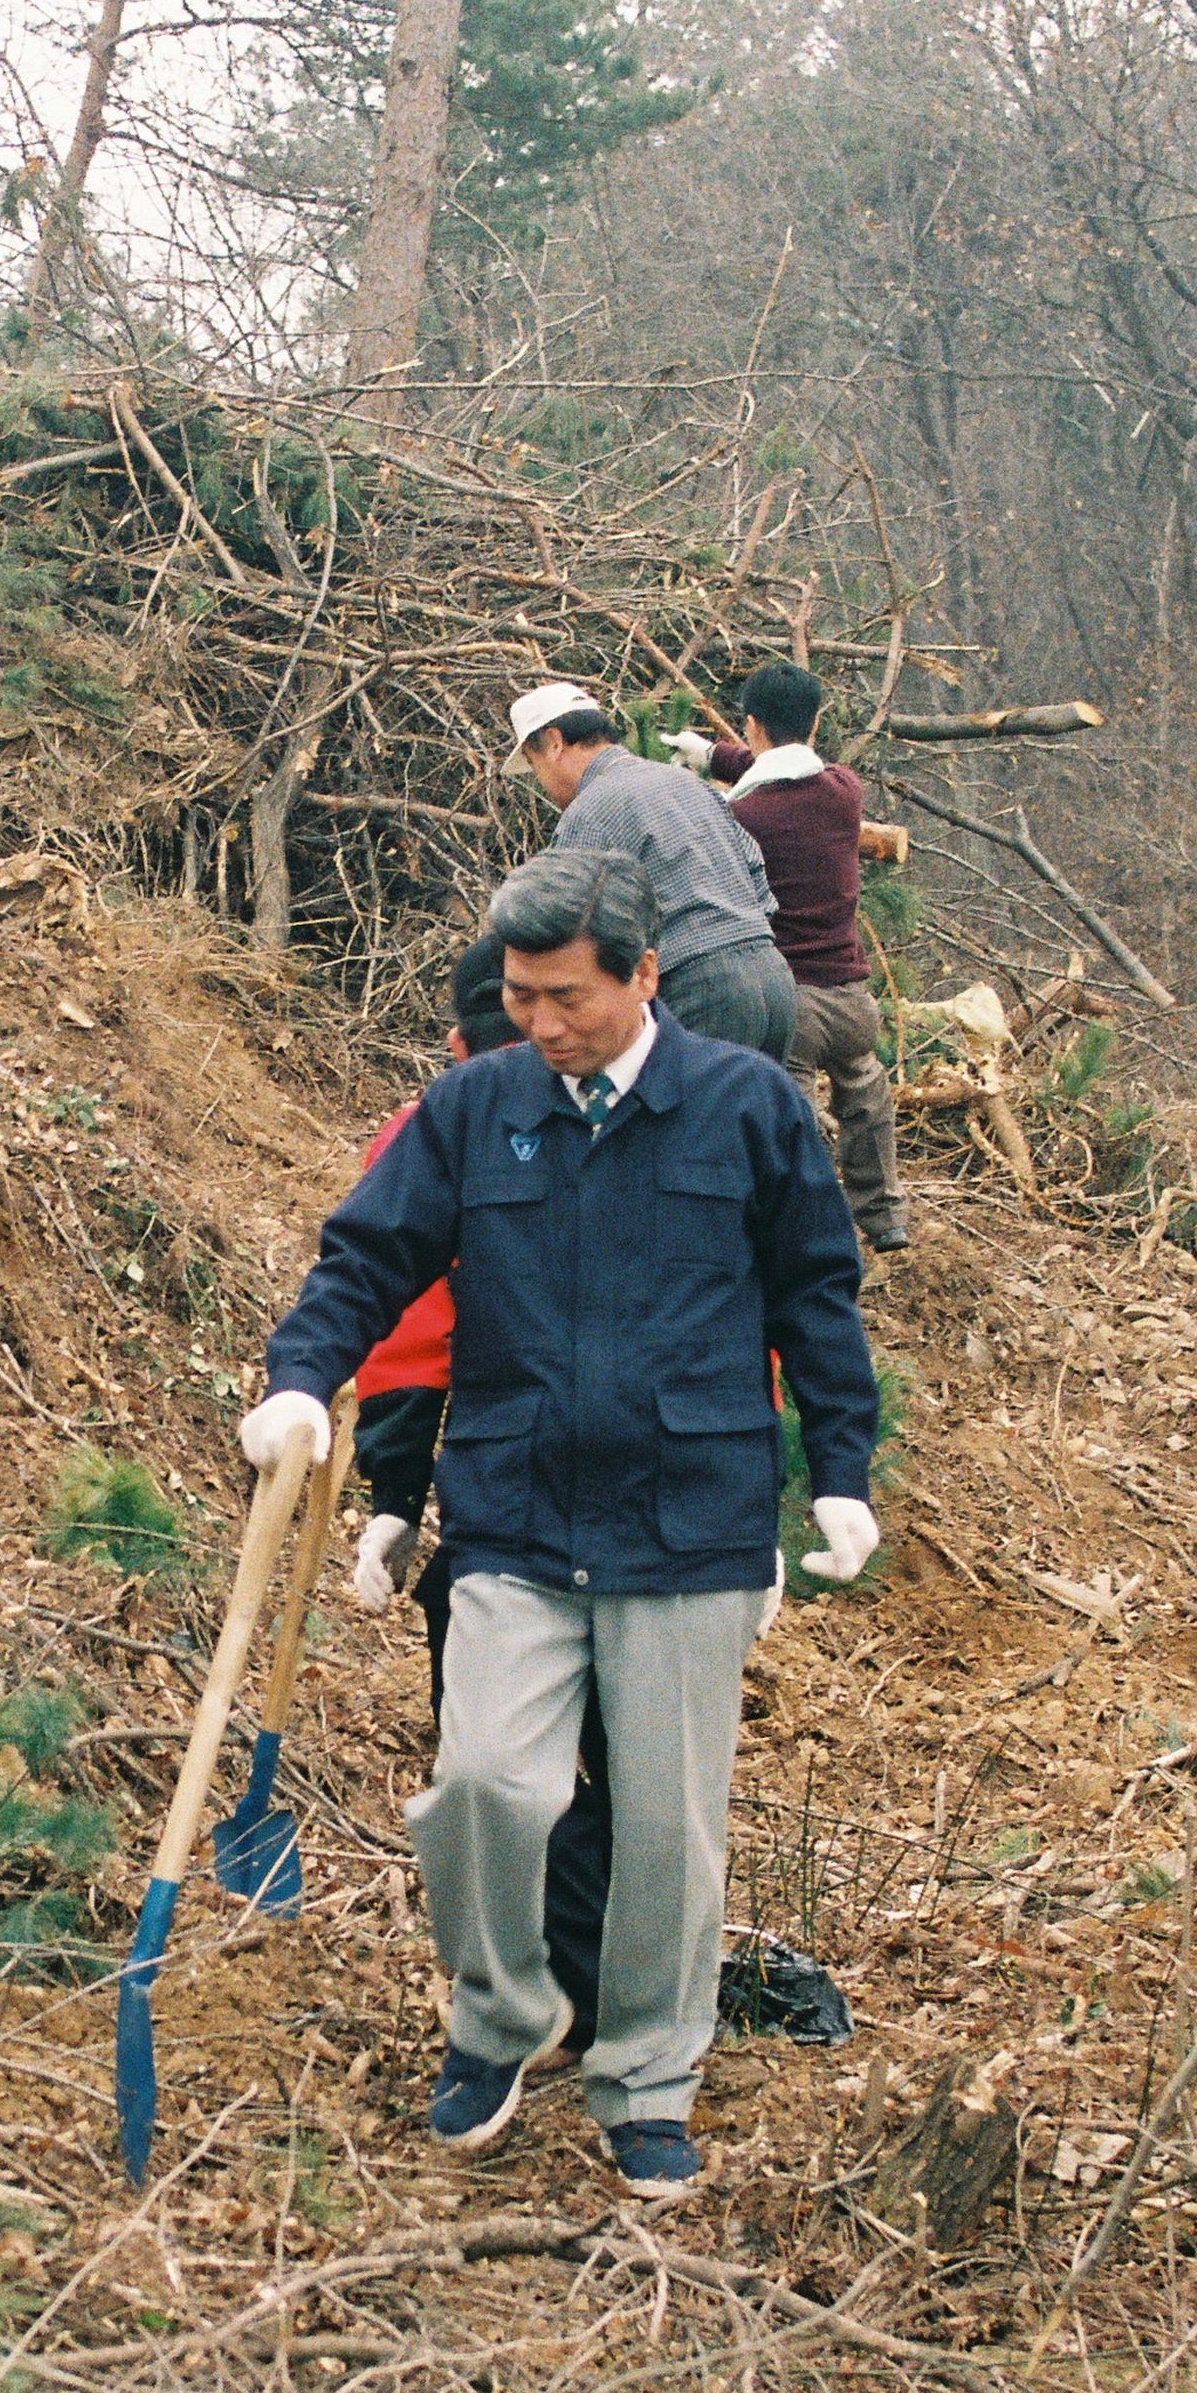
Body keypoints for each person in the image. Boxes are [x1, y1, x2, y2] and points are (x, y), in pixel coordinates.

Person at [249, 847, 883, 2200]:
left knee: (665, 1832)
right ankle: (500, 2013)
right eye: (520, 995)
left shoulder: (747, 1106)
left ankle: (646, 2079)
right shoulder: (473, 1109)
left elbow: (816, 1297)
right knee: (485, 1781)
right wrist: (302, 1379)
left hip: (688, 1526)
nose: (539, 1023)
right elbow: (366, 1257)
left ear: (643, 975)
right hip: (516, 1515)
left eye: (566, 997)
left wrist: (839, 1470)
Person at [344, 927, 614, 2062]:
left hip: (563, 1516)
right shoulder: (659, 1106)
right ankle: (576, 2000)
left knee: (529, 1766)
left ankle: (572, 1999)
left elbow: (407, 1338)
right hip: (565, 1507)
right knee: (583, 1772)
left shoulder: (435, 1125)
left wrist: (395, 1495)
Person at [672, 663, 915, 1251]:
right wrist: (714, 755)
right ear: (816, 719)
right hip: (851, 995)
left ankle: (808, 1229)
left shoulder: (741, 818)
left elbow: (758, 788)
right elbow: (783, 768)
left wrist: (702, 769)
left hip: (789, 996)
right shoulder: (844, 791)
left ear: (752, 723)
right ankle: (886, 1218)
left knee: (793, 1117)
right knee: (865, 1093)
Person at [508, 682, 796, 1060]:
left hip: (699, 989)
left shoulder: (590, 811)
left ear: (554, 742)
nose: (542, 782)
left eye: (534, 764)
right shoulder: (690, 785)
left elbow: (564, 926)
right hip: (774, 979)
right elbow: (758, 875)